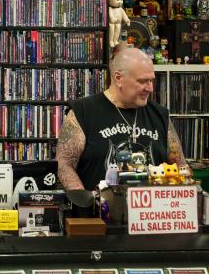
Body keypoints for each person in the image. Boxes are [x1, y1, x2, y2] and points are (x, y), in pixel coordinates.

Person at [57, 44, 189, 191]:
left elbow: (180, 166)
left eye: (151, 80)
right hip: (99, 211)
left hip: (151, 211)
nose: (150, 88)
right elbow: (64, 165)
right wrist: (85, 199)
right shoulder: (83, 112)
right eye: (142, 81)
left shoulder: (160, 115)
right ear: (118, 78)